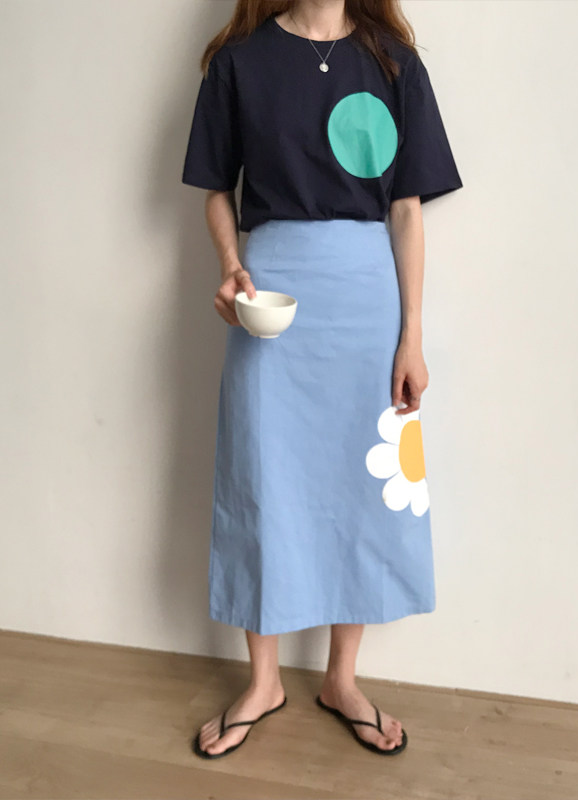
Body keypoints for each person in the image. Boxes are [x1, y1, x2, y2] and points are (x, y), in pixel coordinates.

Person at [182, 0, 463, 759]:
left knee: (362, 484)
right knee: (261, 476)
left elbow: (406, 211)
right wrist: (231, 266)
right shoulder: (239, 64)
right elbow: (216, 189)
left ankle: (342, 679)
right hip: (272, 295)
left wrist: (411, 336)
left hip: (367, 303)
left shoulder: (394, 63)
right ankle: (263, 681)